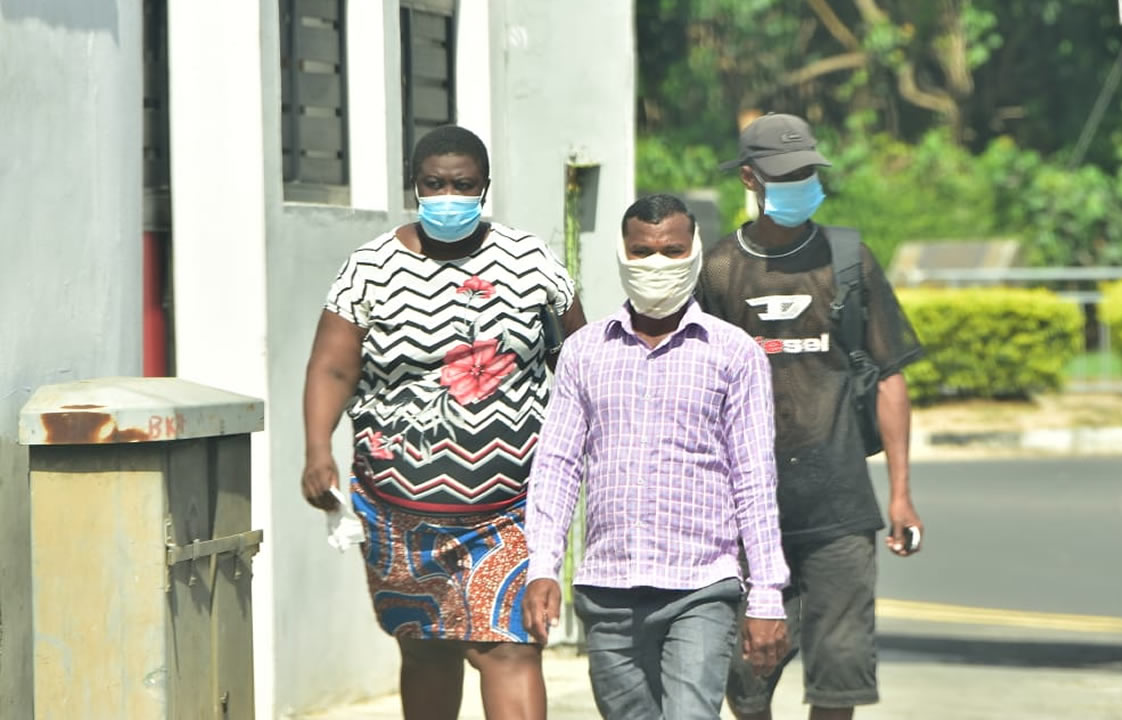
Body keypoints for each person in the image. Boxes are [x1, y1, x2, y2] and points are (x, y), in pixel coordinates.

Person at [301, 124, 586, 720]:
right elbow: (332, 369)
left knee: (508, 646)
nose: (448, 195)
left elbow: (582, 363)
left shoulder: (530, 261)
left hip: (509, 504)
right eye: (434, 183)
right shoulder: (371, 267)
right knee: (427, 647)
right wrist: (317, 450)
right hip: (399, 506)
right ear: (415, 185)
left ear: (485, 188)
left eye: (463, 184)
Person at [521, 194, 791, 720]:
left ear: (693, 253)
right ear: (622, 255)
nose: (657, 264)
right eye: (642, 252)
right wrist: (542, 567)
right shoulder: (584, 352)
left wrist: (766, 596)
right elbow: (557, 465)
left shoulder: (734, 353)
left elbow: (755, 480)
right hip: (608, 592)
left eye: (671, 250)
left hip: (701, 588)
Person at [696, 113, 927, 720]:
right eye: (784, 174)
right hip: (743, 511)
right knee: (746, 678)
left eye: (806, 172)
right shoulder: (719, 270)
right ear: (750, 177)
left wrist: (900, 492)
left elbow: (891, 375)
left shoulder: (848, 259)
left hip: (839, 507)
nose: (799, 183)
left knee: (839, 675)